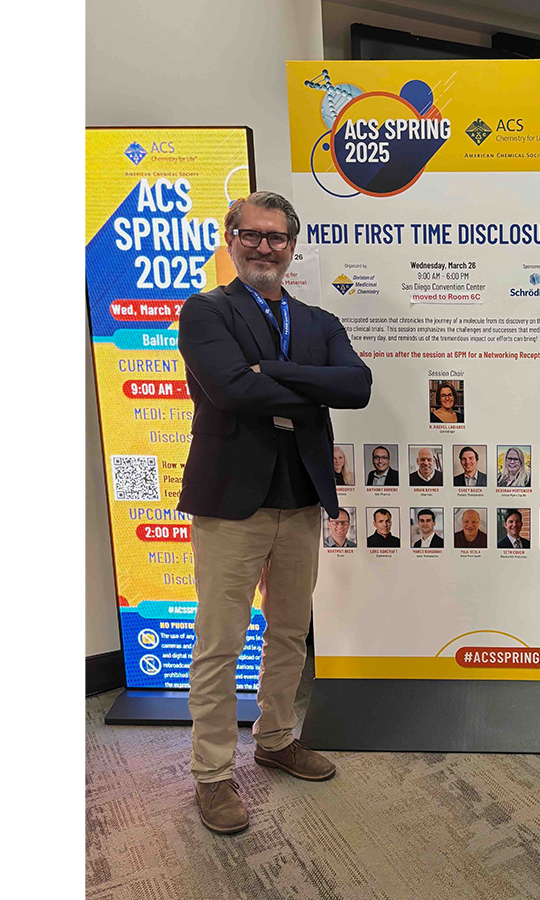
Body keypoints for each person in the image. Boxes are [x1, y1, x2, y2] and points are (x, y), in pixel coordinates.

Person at [175, 191, 371, 834]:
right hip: (232, 501)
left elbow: (358, 385)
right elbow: (230, 388)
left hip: (302, 496)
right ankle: (211, 774)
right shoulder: (205, 311)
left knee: (289, 630)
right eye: (252, 235)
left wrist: (275, 373)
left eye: (277, 237)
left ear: (293, 246)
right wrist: (308, 388)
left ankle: (277, 738)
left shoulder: (318, 319)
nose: (265, 247)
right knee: (220, 642)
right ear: (231, 238)